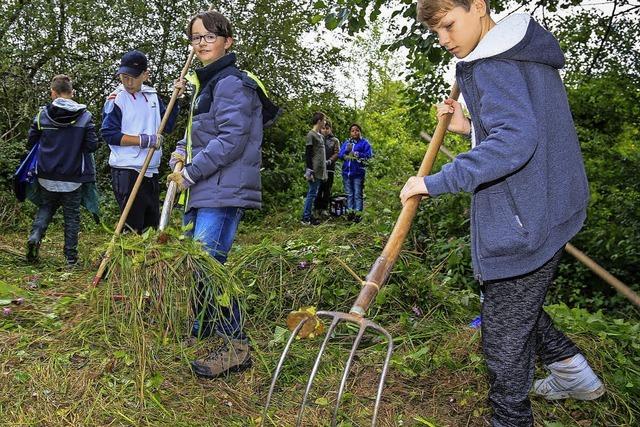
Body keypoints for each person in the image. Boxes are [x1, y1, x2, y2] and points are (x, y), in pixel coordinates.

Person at [401, 1, 604, 426]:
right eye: (437, 32)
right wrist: (469, 128)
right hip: (548, 200)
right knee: (509, 301)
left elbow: (514, 141)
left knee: (503, 337)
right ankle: (572, 373)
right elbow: (523, 123)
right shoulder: (519, 52)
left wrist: (435, 181)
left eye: (449, 26)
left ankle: (510, 419)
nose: (444, 40)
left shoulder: (490, 62)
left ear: (478, 6)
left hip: (526, 216)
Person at [167, 10, 265, 378]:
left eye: (210, 36)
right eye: (196, 38)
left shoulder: (233, 83)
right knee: (199, 262)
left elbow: (231, 139)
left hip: (222, 189)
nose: (202, 43)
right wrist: (180, 151)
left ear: (228, 41)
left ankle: (236, 346)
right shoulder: (206, 84)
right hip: (204, 187)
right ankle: (205, 326)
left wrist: (190, 172)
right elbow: (200, 133)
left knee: (210, 268)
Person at [101, 50, 179, 234]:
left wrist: (175, 100)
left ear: (145, 75)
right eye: (124, 77)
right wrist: (143, 140)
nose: (128, 82)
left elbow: (166, 126)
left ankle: (146, 262)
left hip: (150, 170)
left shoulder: (152, 96)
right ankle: (123, 261)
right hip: (127, 170)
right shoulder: (116, 99)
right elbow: (109, 133)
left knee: (150, 226)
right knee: (132, 227)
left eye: (133, 77)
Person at [25, 74, 98, 266]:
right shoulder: (85, 117)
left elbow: (30, 142)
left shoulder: (42, 115)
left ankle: (35, 236)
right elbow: (92, 146)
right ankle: (70, 259)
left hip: (46, 175)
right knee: (71, 217)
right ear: (72, 93)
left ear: (53, 93)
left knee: (46, 208)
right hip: (73, 177)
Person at [338, 123, 372, 223]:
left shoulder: (364, 143)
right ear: (350, 133)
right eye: (352, 131)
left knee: (357, 193)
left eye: (357, 130)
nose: (355, 132)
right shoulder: (347, 142)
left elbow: (369, 155)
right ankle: (350, 212)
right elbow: (340, 155)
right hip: (346, 173)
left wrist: (358, 154)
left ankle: (358, 214)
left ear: (360, 132)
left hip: (358, 173)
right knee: (349, 194)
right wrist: (346, 151)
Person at [301, 112, 327, 225]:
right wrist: (309, 170)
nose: (325, 122)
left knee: (314, 193)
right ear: (319, 121)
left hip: (321, 170)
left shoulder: (320, 136)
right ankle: (305, 218)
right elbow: (308, 154)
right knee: (312, 193)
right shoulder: (310, 135)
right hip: (314, 170)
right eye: (324, 120)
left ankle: (309, 214)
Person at [314, 120, 340, 217]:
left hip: (330, 168)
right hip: (319, 169)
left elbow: (337, 153)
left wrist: (330, 161)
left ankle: (324, 208)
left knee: (327, 189)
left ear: (330, 129)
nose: (325, 130)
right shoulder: (317, 138)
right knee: (318, 189)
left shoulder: (335, 140)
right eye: (323, 128)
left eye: (327, 128)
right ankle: (316, 208)